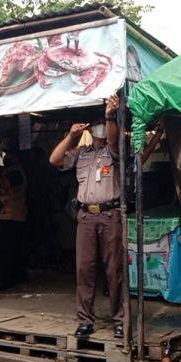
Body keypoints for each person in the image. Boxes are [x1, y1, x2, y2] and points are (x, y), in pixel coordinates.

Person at [49, 95, 123, 339]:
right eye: (97, 124)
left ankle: (120, 319)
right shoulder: (81, 152)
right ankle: (85, 320)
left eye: (103, 123)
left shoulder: (114, 149)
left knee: (114, 270)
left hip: (110, 214)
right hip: (86, 217)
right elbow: (54, 160)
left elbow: (113, 140)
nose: (100, 127)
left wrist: (111, 116)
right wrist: (70, 135)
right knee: (84, 269)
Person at [0, 144, 28, 288]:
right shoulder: (11, 169)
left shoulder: (16, 172)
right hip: (7, 215)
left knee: (10, 250)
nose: (5, 156)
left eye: (8, 153)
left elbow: (4, 184)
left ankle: (10, 278)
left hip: (12, 215)